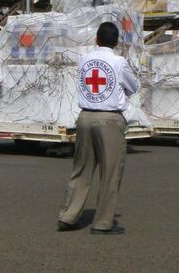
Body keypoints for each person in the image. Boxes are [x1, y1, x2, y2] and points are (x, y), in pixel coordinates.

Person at [57, 22, 139, 235]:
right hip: (109, 119)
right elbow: (134, 86)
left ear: (96, 39)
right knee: (110, 173)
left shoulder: (85, 59)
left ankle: (68, 216)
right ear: (117, 42)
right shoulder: (119, 62)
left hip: (85, 117)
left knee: (81, 169)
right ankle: (102, 223)